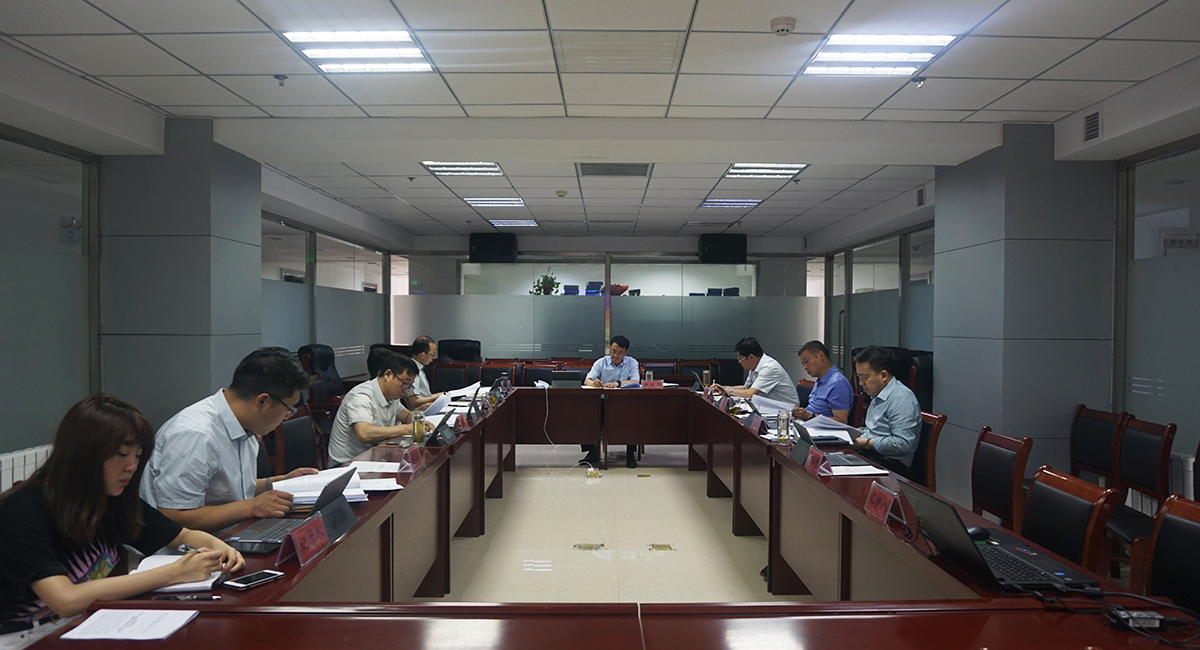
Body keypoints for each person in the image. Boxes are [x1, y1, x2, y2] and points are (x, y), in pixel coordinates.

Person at [0, 395, 245, 648]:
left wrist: (219, 547)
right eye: (122, 454)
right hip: (21, 637)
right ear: (83, 453)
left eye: (138, 455)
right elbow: (65, 599)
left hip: (81, 622)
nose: (132, 466)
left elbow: (183, 535)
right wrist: (174, 572)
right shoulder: (23, 512)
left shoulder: (110, 497)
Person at [141, 347, 318, 533]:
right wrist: (252, 507)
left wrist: (282, 481)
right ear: (263, 401)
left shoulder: (244, 425)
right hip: (189, 547)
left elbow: (231, 489)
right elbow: (173, 516)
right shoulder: (196, 436)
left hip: (231, 534)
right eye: (289, 410)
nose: (286, 417)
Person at [327, 350, 423, 466]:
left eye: (410, 386)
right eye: (405, 384)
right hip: (348, 464)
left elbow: (406, 416)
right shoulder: (362, 396)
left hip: (374, 456)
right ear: (388, 375)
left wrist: (422, 423)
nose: (406, 390)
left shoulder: (391, 395)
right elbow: (365, 434)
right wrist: (406, 429)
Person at [852, 345, 922, 472]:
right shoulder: (877, 394)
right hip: (872, 455)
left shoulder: (901, 399)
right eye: (859, 377)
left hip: (891, 465)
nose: (861, 383)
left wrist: (867, 443)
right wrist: (855, 432)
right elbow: (876, 430)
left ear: (883, 375)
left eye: (864, 377)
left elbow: (903, 443)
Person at [581, 335, 640, 469]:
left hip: (624, 403)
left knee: (633, 416)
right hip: (602, 402)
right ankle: (592, 452)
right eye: (613, 351)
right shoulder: (601, 362)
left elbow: (635, 381)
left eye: (620, 353)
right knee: (584, 415)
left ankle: (630, 453)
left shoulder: (632, 363)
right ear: (609, 349)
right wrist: (594, 383)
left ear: (626, 352)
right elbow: (587, 380)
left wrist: (618, 384)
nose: (615, 355)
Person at [720, 337, 800, 407]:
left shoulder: (769, 368)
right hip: (771, 406)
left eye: (740, 358)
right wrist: (722, 388)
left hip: (786, 409)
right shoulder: (755, 366)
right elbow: (745, 388)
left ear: (751, 357)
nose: (739, 362)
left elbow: (749, 394)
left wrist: (729, 391)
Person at [791, 340, 854, 424]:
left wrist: (810, 416)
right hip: (808, 424)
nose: (805, 367)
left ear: (821, 356)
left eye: (807, 361)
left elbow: (841, 422)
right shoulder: (821, 380)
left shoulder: (837, 383)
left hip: (820, 429)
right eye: (803, 364)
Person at [405, 336, 445, 410]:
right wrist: (437, 397)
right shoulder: (411, 370)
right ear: (422, 355)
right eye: (432, 355)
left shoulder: (420, 368)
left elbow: (425, 395)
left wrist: (438, 396)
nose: (433, 358)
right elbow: (413, 401)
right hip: (419, 412)